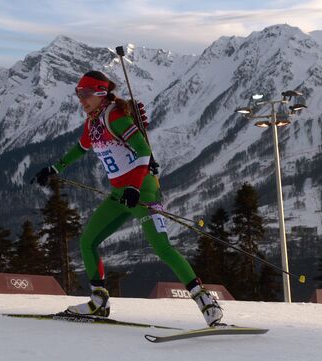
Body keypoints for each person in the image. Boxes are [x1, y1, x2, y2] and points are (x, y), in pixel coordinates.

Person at [34, 70, 223, 327]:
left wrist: (134, 188)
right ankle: (98, 301)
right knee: (88, 240)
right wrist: (55, 168)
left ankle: (206, 302)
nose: (81, 99)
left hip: (142, 191)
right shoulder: (93, 122)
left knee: (162, 248)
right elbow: (81, 147)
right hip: (118, 195)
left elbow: (144, 150)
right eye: (78, 93)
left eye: (86, 93)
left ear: (101, 93)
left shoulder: (115, 116)